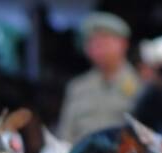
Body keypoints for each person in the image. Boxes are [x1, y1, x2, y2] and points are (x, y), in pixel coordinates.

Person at [58, 11, 140, 143]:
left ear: (124, 44)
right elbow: (65, 136)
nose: (98, 47)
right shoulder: (77, 87)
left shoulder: (142, 85)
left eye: (105, 40)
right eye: (92, 42)